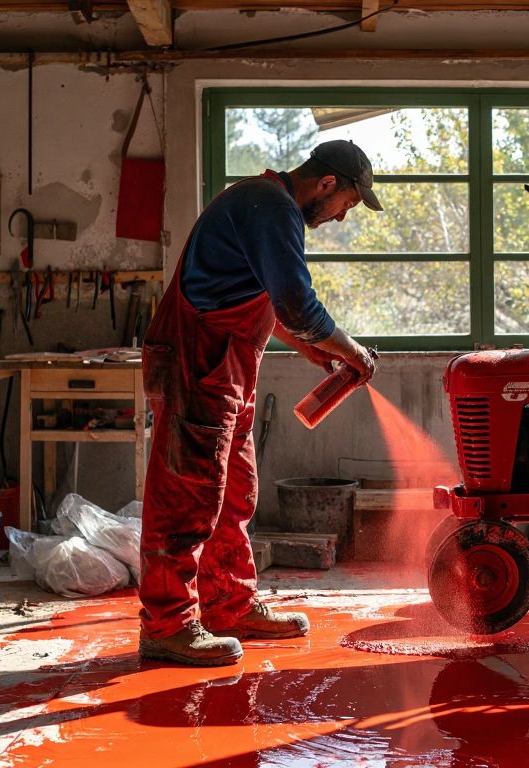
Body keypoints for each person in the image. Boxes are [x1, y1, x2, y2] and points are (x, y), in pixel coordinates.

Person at [138, 139, 381, 666]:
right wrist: (349, 350)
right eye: (348, 205)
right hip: (197, 361)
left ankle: (229, 604)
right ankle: (166, 625)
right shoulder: (270, 206)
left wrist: (306, 344)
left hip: (226, 364)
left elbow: (263, 296)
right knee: (186, 497)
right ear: (327, 185)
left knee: (234, 493)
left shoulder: (265, 203)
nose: (341, 218)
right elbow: (296, 304)